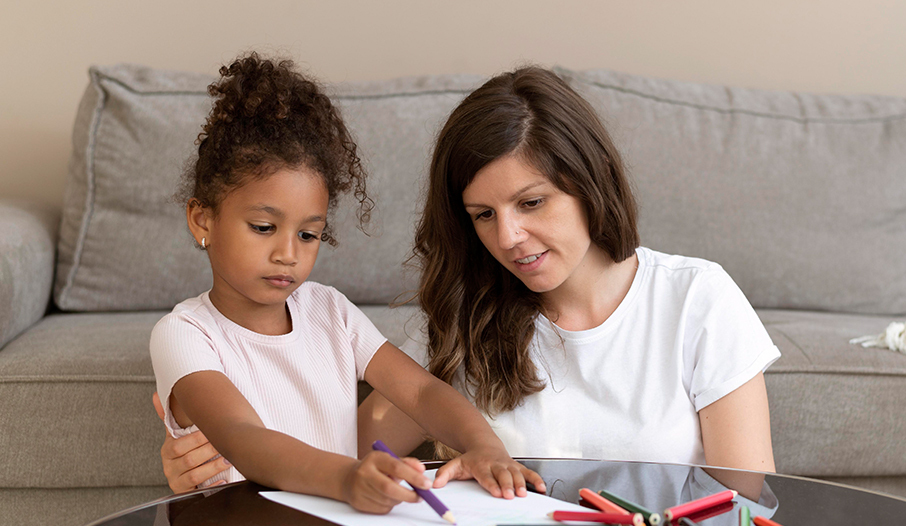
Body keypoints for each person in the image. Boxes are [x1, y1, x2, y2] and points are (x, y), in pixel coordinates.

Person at [156, 65, 780, 498]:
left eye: (531, 203)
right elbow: (352, 450)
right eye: (484, 215)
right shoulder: (471, 321)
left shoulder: (696, 298)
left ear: (588, 183)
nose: (507, 237)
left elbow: (741, 495)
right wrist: (217, 459)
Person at [148, 54, 542, 513]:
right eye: (262, 227)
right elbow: (243, 438)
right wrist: (348, 476)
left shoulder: (330, 311)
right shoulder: (184, 333)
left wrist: (483, 446)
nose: (288, 254)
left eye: (309, 234)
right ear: (203, 219)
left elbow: (419, 391)